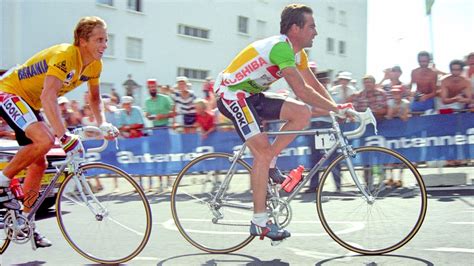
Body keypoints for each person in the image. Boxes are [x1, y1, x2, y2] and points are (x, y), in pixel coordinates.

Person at [213, 4, 352, 242]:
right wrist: (335, 108)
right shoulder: (280, 48)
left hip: (251, 95)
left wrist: (336, 107)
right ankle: (259, 222)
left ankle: (268, 164)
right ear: (295, 28)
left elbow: (314, 85)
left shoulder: (298, 53)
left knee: (301, 114)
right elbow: (301, 89)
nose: (316, 32)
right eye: (312, 26)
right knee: (263, 153)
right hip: (232, 94)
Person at [0, 16, 119, 248]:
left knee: (39, 163)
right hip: (9, 91)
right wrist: (64, 136)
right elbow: (49, 96)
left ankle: (25, 221)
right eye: (100, 40)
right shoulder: (66, 55)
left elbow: (95, 98)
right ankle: (3, 179)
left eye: (106, 40)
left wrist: (103, 123)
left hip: (29, 102)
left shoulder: (95, 64)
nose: (105, 45)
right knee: (45, 139)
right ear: (83, 41)